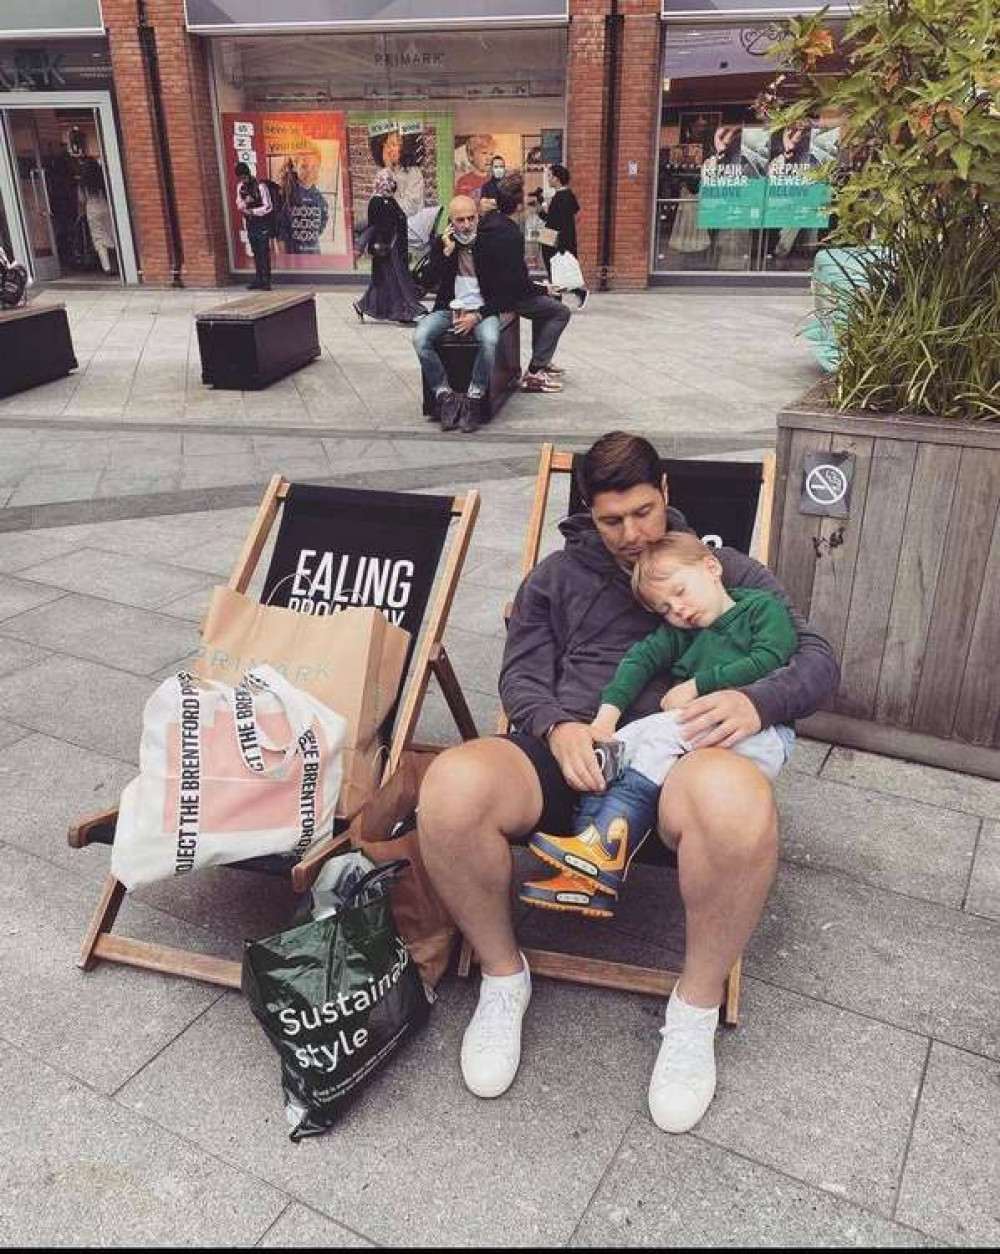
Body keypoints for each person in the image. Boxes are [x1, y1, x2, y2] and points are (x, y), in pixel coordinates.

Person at [416, 430, 840, 1133]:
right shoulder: (555, 577)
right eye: (611, 520)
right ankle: (501, 976)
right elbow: (520, 674)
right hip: (566, 751)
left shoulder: (722, 568)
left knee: (737, 801)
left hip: (680, 769)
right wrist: (556, 726)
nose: (631, 534)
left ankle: (693, 1012)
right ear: (588, 510)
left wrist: (754, 701)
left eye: (643, 512)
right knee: (450, 788)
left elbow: (818, 659)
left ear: (666, 492)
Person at [520, 530, 797, 916]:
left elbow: (772, 655)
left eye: (681, 592)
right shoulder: (682, 633)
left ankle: (606, 848)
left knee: (665, 733)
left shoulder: (760, 608)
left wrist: (699, 685)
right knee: (621, 744)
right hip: (703, 729)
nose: (678, 610)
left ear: (712, 568)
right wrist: (605, 720)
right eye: (665, 608)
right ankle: (586, 864)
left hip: (759, 734)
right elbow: (640, 659)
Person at [412, 194, 500, 434]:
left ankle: (474, 398)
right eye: (460, 220)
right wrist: (445, 253)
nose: (467, 225)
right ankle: (445, 395)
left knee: (490, 340)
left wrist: (478, 315)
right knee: (420, 338)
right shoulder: (443, 243)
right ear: (451, 221)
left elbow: (503, 293)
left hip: (482, 311)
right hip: (447, 310)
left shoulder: (490, 244)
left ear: (478, 218)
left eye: (471, 218)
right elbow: (426, 282)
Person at [475, 172, 571, 394]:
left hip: (493, 290)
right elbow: (517, 285)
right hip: (504, 298)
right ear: (518, 205)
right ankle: (535, 372)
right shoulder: (510, 233)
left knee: (546, 300)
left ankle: (541, 360)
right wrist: (542, 287)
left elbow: (512, 277)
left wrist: (540, 288)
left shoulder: (489, 222)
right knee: (560, 311)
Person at [353, 168, 425, 324]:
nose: (389, 185)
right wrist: (360, 247)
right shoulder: (377, 201)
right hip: (386, 249)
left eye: (391, 181)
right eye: (386, 181)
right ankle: (404, 312)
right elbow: (373, 226)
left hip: (396, 248)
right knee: (396, 281)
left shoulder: (391, 200)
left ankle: (363, 306)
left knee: (386, 282)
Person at [536, 164, 579, 280]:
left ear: (557, 178)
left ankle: (559, 294)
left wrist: (540, 212)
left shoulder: (561, 197)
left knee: (554, 273)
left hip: (556, 240)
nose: (548, 179)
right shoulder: (567, 195)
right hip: (562, 239)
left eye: (550, 176)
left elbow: (552, 220)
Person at [371, 128, 426, 219]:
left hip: (406, 224)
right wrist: (387, 169)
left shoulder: (414, 173)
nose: (388, 150)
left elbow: (410, 209)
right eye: (386, 145)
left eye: (393, 145)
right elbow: (375, 202)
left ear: (403, 148)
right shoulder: (384, 172)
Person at [235, 161, 273, 291]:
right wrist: (246, 202)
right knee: (255, 251)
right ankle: (258, 279)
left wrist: (253, 211)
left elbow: (268, 206)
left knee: (264, 251)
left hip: (262, 223)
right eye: (240, 178)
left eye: (244, 177)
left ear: (248, 174)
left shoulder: (260, 186)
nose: (242, 180)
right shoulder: (240, 187)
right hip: (250, 223)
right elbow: (239, 204)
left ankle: (266, 280)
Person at [286, 145, 330, 254]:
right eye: (304, 166)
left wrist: (312, 234)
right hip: (293, 248)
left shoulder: (320, 199)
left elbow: (323, 220)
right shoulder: (288, 194)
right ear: (295, 167)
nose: (309, 171)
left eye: (314, 166)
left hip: (313, 248)